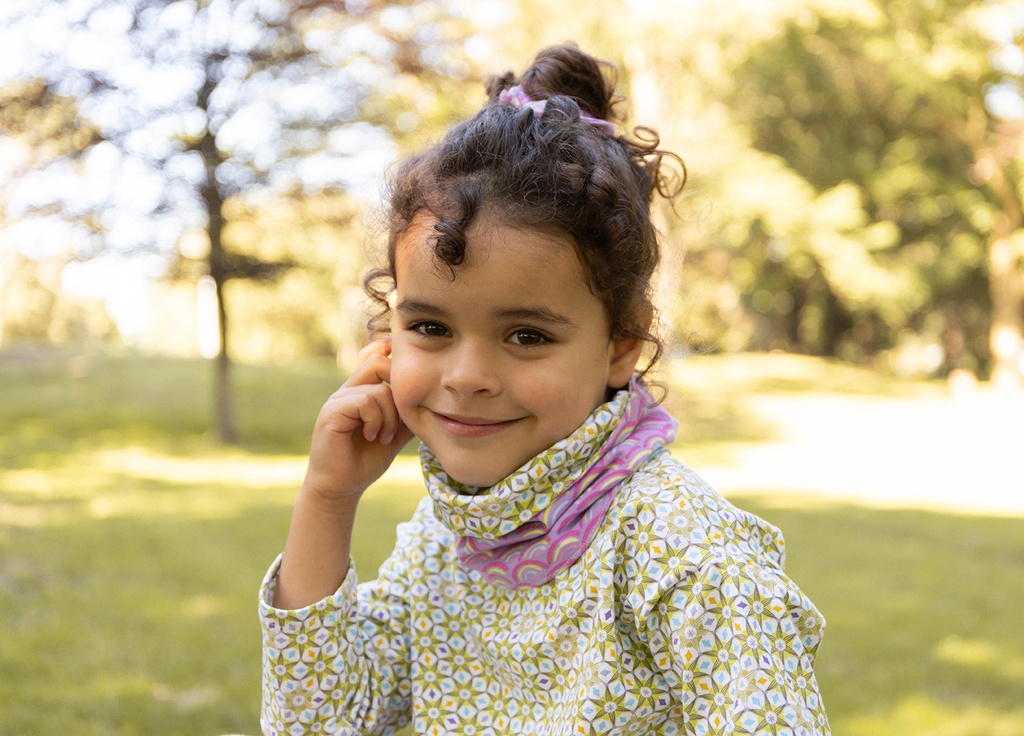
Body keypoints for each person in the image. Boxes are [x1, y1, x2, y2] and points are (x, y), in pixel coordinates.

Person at [259, 42, 830, 736]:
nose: (466, 377)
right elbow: (320, 723)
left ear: (623, 342)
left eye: (526, 335)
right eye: (431, 327)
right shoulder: (448, 537)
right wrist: (328, 497)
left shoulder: (684, 553)